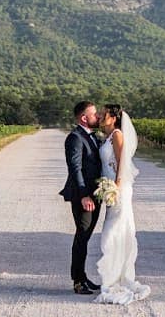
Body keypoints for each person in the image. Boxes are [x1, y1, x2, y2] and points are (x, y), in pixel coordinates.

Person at [93, 104, 150, 305]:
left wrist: (115, 187)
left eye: (104, 114)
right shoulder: (107, 137)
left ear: (114, 118)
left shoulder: (117, 135)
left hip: (118, 189)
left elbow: (121, 162)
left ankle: (118, 277)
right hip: (110, 188)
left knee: (113, 231)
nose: (100, 116)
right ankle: (112, 276)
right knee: (112, 230)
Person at [59, 100, 103, 295]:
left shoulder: (93, 137)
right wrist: (85, 195)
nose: (98, 117)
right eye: (94, 114)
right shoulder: (75, 138)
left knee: (84, 238)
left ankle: (83, 277)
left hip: (95, 195)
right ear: (84, 118)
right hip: (83, 196)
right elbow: (75, 168)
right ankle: (78, 281)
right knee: (82, 237)